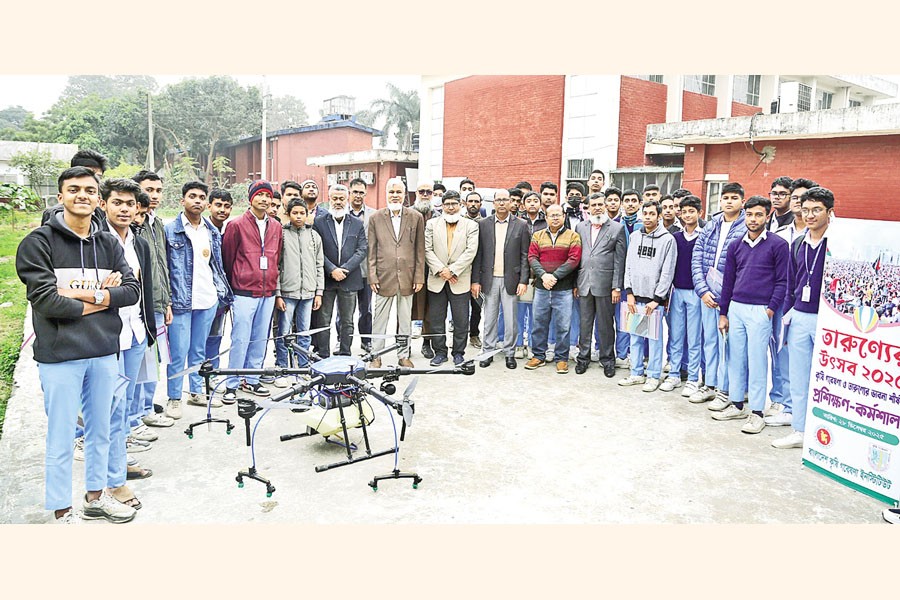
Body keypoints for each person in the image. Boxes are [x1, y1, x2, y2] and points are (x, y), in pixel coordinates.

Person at [17, 166, 141, 524]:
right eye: (74, 189)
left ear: (98, 199)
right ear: (61, 197)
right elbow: (46, 301)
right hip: (60, 356)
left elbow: (131, 292)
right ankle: (62, 510)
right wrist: (103, 297)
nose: (82, 195)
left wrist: (77, 294)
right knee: (61, 437)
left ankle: (95, 498)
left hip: (103, 352)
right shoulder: (38, 243)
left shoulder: (108, 244)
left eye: (89, 190)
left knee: (101, 431)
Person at [99, 178, 158, 508]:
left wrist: (149, 328)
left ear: (138, 208)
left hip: (135, 333)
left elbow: (143, 289)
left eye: (130, 204)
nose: (124, 209)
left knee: (126, 404)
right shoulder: (95, 241)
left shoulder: (140, 244)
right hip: (107, 336)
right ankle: (112, 482)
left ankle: (118, 463)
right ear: (104, 205)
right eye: (117, 202)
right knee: (111, 407)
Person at [714, 196, 789, 434]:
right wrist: (724, 313)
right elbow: (728, 281)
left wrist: (770, 309)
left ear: (767, 216)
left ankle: (757, 412)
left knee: (757, 361)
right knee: (735, 358)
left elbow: (782, 281)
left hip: (761, 310)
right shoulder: (736, 245)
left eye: (758, 215)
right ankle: (736, 404)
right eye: (749, 215)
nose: (753, 219)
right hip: (736, 307)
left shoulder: (778, 245)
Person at [772, 187, 834, 449]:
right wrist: (788, 317)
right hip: (799, 317)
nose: (810, 215)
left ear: (829, 212)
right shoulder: (798, 243)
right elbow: (791, 284)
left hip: (826, 319)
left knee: (827, 379)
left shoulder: (837, 243)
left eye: (816, 210)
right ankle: (799, 429)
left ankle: (826, 434)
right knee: (798, 377)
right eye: (806, 209)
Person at [165, 181, 233, 418]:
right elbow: (165, 269)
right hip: (181, 302)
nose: (197, 201)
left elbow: (216, 265)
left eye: (201, 197)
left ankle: (196, 392)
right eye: (192, 196)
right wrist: (167, 301)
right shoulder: (170, 230)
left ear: (206, 203)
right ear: (182, 200)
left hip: (207, 299)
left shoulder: (211, 231)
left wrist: (219, 294)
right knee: (178, 353)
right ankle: (174, 398)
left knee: (198, 351)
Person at [221, 180, 283, 402]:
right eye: (260, 195)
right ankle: (231, 383)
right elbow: (228, 258)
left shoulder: (276, 226)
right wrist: (234, 285)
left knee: (260, 338)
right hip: (243, 292)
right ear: (251, 198)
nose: (264, 199)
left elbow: (277, 257)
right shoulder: (236, 225)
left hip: (268, 292)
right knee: (240, 339)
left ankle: (252, 379)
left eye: (268, 196)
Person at [689, 182, 747, 406]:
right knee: (710, 342)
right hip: (707, 295)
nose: (729, 202)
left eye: (734, 198)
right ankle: (710, 384)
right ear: (720, 201)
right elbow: (697, 257)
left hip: (730, 298)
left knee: (728, 346)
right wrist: (702, 290)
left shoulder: (746, 227)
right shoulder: (712, 225)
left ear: (742, 201)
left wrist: (728, 296)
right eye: (726, 198)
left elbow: (745, 267)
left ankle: (726, 389)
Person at [618, 200, 677, 392]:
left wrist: (657, 299)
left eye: (652, 214)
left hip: (653, 301)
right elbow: (628, 266)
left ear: (659, 216)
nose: (648, 217)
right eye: (646, 214)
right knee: (635, 337)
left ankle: (653, 376)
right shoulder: (635, 236)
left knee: (654, 340)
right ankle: (636, 373)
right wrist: (629, 293)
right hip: (635, 298)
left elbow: (667, 272)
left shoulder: (667, 240)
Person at [367, 177, 425, 368]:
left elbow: (420, 250)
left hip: (408, 276)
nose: (395, 195)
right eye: (391, 192)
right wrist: (372, 275)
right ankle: (376, 355)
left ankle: (403, 354)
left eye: (398, 192)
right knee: (380, 319)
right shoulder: (376, 218)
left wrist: (419, 277)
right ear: (386, 194)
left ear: (404, 194)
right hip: (383, 277)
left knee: (405, 320)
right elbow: (371, 250)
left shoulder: (415, 217)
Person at [132, 170, 174, 428]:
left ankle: (146, 408)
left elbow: (162, 266)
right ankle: (135, 415)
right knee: (138, 364)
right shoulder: (132, 224)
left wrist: (167, 301)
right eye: (149, 190)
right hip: (138, 306)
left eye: (158, 190)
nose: (154, 195)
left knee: (153, 361)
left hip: (158, 304)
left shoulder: (157, 223)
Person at [471, 188, 530, 369]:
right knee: (489, 318)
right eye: (499, 200)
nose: (502, 203)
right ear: (494, 203)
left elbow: (525, 255)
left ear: (511, 202)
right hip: (489, 278)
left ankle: (509, 353)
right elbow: (478, 254)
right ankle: (487, 351)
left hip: (511, 279)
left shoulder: (521, 225)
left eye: (506, 200)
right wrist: (475, 280)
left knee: (511, 320)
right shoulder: (483, 224)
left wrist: (523, 280)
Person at [311, 184, 368, 357]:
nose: (338, 202)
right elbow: (316, 249)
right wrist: (331, 269)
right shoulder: (319, 222)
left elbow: (362, 249)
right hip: (326, 279)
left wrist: (345, 269)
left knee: (347, 321)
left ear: (347, 199)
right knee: (323, 320)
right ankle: (323, 354)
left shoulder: (357, 223)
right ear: (329, 199)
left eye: (341, 199)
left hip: (349, 279)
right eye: (334, 198)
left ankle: (345, 353)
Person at [525, 203, 582, 374]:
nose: (555, 218)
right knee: (538, 324)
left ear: (564, 216)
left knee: (563, 326)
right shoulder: (537, 235)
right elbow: (532, 257)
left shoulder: (573, 236)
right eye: (552, 215)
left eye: (558, 215)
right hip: (542, 287)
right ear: (546, 217)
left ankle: (562, 358)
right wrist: (544, 275)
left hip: (563, 289)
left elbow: (574, 259)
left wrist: (555, 276)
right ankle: (538, 355)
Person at [424, 190, 479, 366]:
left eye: (454, 204)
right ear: (442, 206)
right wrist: (442, 270)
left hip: (460, 279)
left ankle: (458, 353)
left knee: (461, 320)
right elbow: (427, 249)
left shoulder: (471, 225)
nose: (450, 207)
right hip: (437, 279)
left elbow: (471, 251)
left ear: (460, 205)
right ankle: (440, 352)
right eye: (447, 204)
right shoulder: (431, 224)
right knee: (436, 320)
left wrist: (453, 271)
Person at [574, 193, 626, 377]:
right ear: (587, 208)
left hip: (605, 284)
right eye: (593, 205)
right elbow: (577, 256)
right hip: (584, 283)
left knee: (605, 325)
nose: (597, 208)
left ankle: (607, 360)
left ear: (605, 206)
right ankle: (583, 358)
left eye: (600, 204)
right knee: (585, 323)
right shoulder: (580, 227)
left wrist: (616, 287)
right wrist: (576, 283)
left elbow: (619, 260)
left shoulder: (617, 228)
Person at [274, 199, 323, 383]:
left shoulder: (314, 236)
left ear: (307, 214)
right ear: (288, 214)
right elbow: (276, 266)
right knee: (284, 332)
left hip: (308, 293)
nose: (299, 216)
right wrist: (278, 293)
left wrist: (319, 292)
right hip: (287, 293)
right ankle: (282, 367)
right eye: (295, 213)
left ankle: (303, 366)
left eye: (302, 213)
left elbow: (319, 265)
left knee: (304, 332)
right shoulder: (282, 235)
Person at [661, 195, 703, 396]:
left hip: (696, 293)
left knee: (694, 338)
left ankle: (693, 378)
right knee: (676, 336)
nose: (687, 215)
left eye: (691, 211)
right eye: (684, 211)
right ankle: (674, 374)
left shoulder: (704, 236)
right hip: (676, 291)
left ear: (699, 213)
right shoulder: (675, 237)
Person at [514, 191, 547, 359]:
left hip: (541, 274)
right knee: (519, 312)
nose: (532, 203)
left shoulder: (546, 222)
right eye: (529, 201)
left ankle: (534, 345)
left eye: (536, 201)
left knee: (537, 314)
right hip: (521, 274)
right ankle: (519, 344)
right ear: (523, 204)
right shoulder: (518, 222)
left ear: (540, 204)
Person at [204, 188, 234, 371]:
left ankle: (212, 374)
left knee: (215, 337)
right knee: (201, 339)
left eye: (227, 206)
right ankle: (200, 377)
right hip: (204, 294)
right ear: (209, 206)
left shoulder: (229, 230)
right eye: (218, 205)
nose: (222, 210)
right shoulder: (202, 230)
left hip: (222, 296)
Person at [347, 177, 377, 352]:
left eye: (361, 193)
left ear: (365, 194)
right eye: (355, 192)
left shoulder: (374, 215)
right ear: (349, 192)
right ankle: (344, 341)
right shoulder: (340, 212)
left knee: (366, 309)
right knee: (345, 311)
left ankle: (367, 341)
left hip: (366, 269)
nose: (358, 196)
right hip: (347, 270)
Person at [463, 191, 485, 349]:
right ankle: (459, 336)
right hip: (461, 270)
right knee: (460, 307)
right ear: (465, 203)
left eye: (476, 201)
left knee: (477, 306)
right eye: (470, 201)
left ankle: (474, 334)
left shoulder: (485, 223)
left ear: (480, 204)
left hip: (479, 271)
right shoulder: (459, 222)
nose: (473, 204)